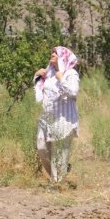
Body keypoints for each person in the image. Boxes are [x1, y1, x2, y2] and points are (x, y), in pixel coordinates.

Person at [34, 46, 79, 184]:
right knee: (41, 147)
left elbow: (73, 92)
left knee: (59, 154)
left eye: (55, 53)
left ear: (63, 57)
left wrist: (61, 78)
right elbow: (40, 94)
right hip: (47, 118)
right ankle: (60, 172)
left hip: (64, 119)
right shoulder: (49, 72)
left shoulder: (70, 73)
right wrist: (37, 77)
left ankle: (57, 183)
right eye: (52, 52)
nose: (52, 54)